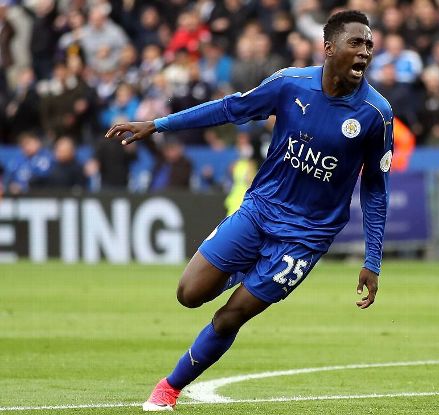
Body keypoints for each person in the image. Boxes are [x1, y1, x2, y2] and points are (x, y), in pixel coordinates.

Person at [104, 10, 393, 411]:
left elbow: (376, 188)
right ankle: (244, 271)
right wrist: (157, 124)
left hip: (305, 237)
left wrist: (372, 259)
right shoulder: (290, 83)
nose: (365, 52)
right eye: (356, 43)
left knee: (230, 316)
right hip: (260, 210)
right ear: (328, 48)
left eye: (369, 45)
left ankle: (168, 388)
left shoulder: (376, 114)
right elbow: (230, 108)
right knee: (189, 294)